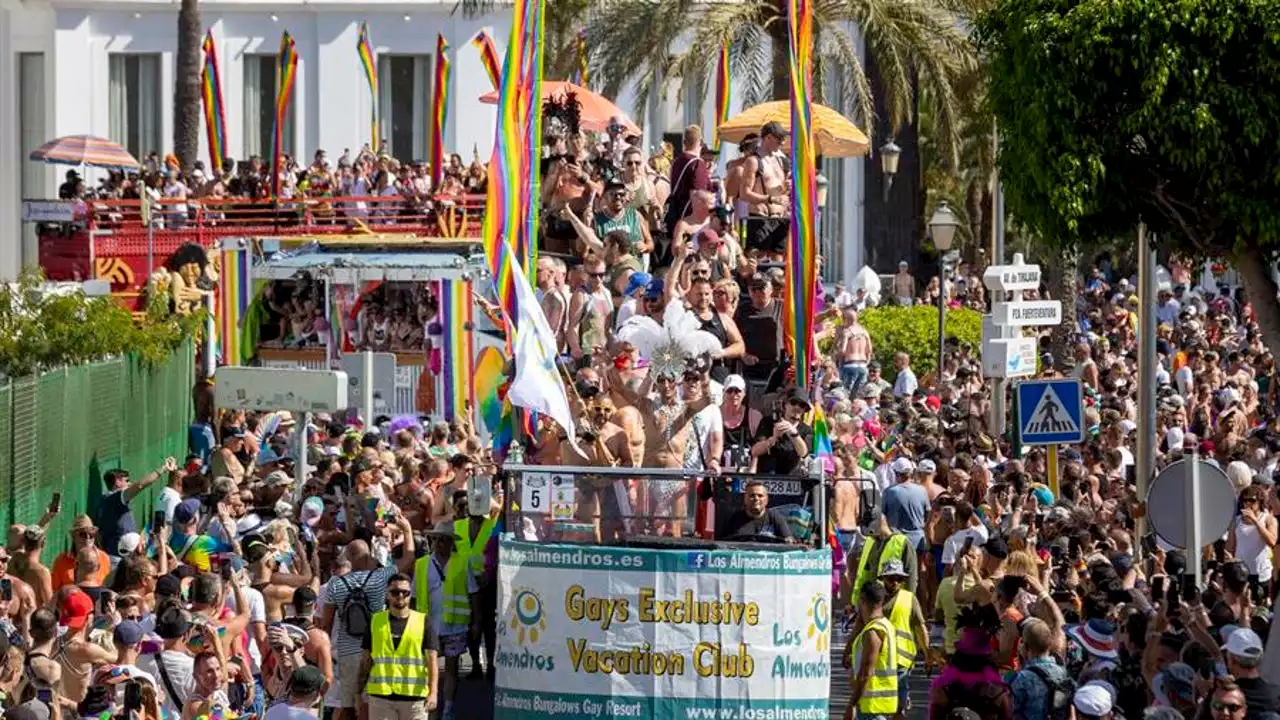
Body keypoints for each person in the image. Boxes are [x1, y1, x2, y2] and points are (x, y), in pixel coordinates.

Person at [359, 573, 438, 720]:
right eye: (395, 592)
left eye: (405, 592)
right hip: (381, 697)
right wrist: (359, 691)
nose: (400, 596)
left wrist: (433, 693)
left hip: (414, 698)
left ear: (410, 594)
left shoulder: (424, 621)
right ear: (387, 594)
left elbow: (432, 660)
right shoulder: (375, 621)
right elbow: (366, 659)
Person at [96, 460, 177, 562]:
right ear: (117, 482)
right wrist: (163, 469)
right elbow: (140, 486)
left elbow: (98, 533)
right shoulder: (116, 499)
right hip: (123, 558)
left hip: (111, 556)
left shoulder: (102, 502)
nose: (129, 484)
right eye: (127, 480)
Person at [845, 580, 898, 720]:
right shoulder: (886, 625)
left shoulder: (873, 631)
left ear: (863, 600)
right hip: (881, 706)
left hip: (871, 707)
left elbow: (866, 673)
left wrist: (852, 704)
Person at [715, 481, 794, 542]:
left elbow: (789, 542)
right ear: (745, 499)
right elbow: (722, 546)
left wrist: (789, 540)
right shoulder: (733, 520)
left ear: (767, 500)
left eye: (760, 495)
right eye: (752, 495)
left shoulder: (775, 517)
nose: (756, 498)